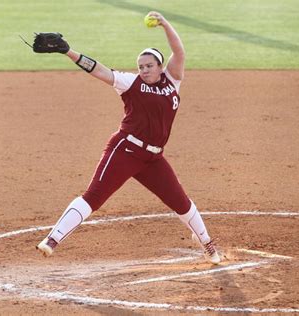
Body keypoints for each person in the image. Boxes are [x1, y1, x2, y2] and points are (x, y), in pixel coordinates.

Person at [35, 12, 221, 264]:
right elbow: (99, 70)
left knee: (181, 202)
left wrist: (165, 24)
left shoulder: (172, 80)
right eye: (141, 66)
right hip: (125, 150)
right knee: (94, 197)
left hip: (153, 158)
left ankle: (207, 244)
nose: (144, 70)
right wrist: (70, 52)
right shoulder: (130, 82)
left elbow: (179, 52)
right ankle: (52, 240)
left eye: (149, 65)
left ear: (159, 65)